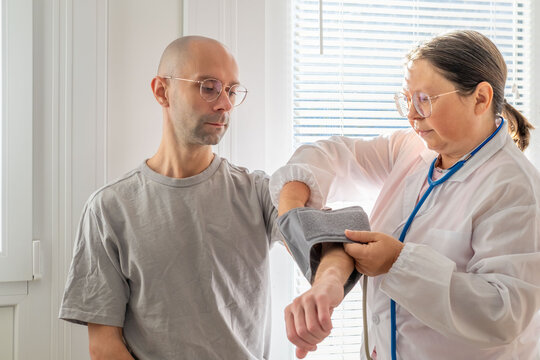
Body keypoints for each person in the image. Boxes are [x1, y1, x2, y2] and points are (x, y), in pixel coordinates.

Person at [270, 30, 540, 360]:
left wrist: (399, 263)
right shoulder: (413, 150)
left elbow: (504, 311)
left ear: (480, 99)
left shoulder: (514, 188)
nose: (412, 114)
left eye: (425, 99)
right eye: (406, 99)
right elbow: (335, 156)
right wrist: (291, 209)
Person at [59, 36, 280, 360]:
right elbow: (104, 345)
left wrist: (327, 281)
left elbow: (314, 240)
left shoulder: (258, 191)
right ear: (162, 91)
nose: (225, 104)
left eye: (231, 91)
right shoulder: (109, 209)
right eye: (209, 87)